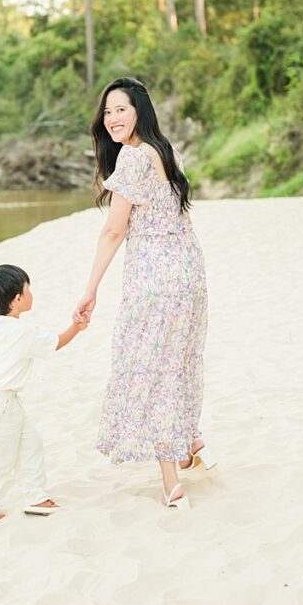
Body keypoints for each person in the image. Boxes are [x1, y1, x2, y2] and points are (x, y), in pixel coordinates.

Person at [74, 77, 213, 510]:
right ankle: (190, 442)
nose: (112, 118)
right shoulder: (167, 150)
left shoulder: (133, 159)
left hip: (155, 279)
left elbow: (114, 230)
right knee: (180, 360)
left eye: (121, 110)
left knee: (152, 369)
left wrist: (90, 289)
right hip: (189, 273)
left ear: (140, 112)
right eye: (108, 111)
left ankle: (171, 481)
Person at [0, 264, 88, 522]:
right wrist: (76, 327)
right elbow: (56, 343)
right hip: (0, 403)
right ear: (17, 299)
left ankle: (36, 496)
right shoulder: (23, 333)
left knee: (31, 443)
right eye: (27, 289)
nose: (31, 293)